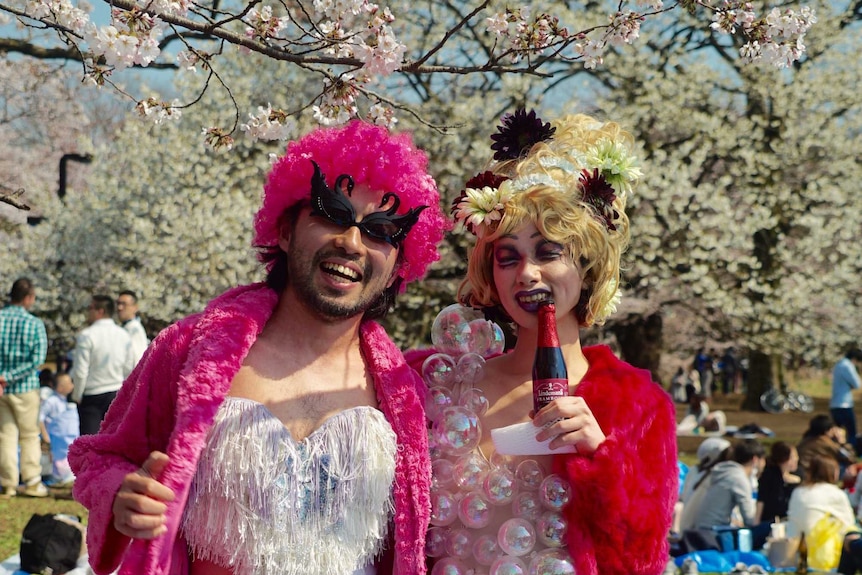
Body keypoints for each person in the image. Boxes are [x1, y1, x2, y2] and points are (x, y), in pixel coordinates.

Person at [68, 120, 448, 575]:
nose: (351, 242)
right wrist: (121, 494)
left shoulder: (405, 393)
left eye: (381, 231)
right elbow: (100, 457)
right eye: (331, 214)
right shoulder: (187, 350)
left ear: (399, 264)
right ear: (285, 230)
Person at [421, 110, 677, 574]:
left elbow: (642, 561)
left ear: (586, 266)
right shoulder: (438, 387)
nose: (527, 273)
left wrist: (602, 461)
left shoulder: (639, 406)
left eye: (548, 251)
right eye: (508, 257)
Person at [0, 277, 49, 499]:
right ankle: (31, 481)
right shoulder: (34, 323)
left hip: (1, 389)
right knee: (29, 435)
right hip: (25, 387)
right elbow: (37, 360)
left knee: (5, 435)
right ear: (28, 298)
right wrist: (10, 376)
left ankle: (8, 484)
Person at [70, 294, 134, 435]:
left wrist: (77, 395)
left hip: (92, 395)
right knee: (113, 441)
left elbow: (81, 371)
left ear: (100, 311)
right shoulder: (123, 335)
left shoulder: (86, 335)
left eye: (90, 308)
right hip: (116, 391)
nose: (88, 311)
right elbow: (129, 366)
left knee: (90, 444)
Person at [685, 438, 765, 534]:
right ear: (755, 460)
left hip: (701, 529)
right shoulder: (739, 478)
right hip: (712, 534)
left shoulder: (726, 472)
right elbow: (750, 520)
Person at [786, 454, 855, 539]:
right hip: (822, 545)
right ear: (833, 472)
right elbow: (849, 524)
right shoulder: (836, 493)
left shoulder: (797, 491)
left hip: (795, 541)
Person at [753, 441, 800, 548]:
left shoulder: (797, 478)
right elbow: (761, 500)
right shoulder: (769, 476)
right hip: (772, 523)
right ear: (784, 459)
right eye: (793, 457)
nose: (796, 459)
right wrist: (756, 524)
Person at [39, 372, 79, 486]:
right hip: (55, 439)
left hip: (68, 439)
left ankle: (66, 478)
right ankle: (57, 478)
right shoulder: (51, 401)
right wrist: (45, 436)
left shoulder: (68, 401)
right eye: (69, 383)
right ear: (61, 387)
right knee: (57, 461)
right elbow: (40, 418)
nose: (72, 385)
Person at [796, 413, 856, 481]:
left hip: (804, 470)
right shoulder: (824, 442)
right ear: (827, 430)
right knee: (849, 468)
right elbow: (850, 457)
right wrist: (842, 441)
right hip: (810, 473)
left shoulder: (807, 439)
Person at [830, 348, 862, 453]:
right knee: (851, 432)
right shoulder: (848, 366)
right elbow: (857, 383)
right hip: (845, 404)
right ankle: (851, 453)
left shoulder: (838, 365)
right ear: (854, 359)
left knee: (836, 432)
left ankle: (836, 451)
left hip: (834, 404)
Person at [116, 290, 149, 365]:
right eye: (118, 303)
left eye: (124, 304)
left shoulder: (135, 330)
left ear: (135, 307)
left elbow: (137, 360)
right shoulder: (125, 327)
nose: (119, 308)